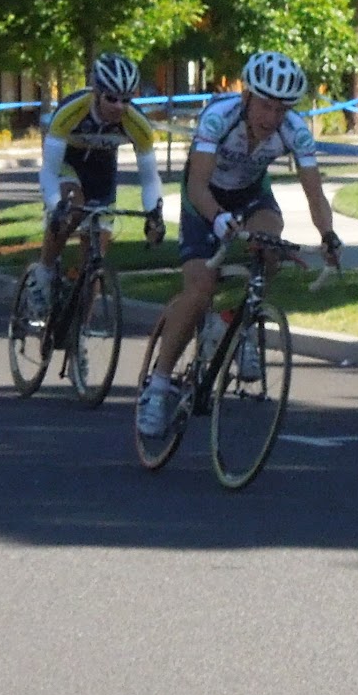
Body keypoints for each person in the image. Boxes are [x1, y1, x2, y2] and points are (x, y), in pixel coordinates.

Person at [136, 51, 343, 436]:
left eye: (281, 109)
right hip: (204, 198)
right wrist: (217, 218)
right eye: (265, 105)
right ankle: (159, 386)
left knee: (270, 242)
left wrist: (328, 235)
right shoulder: (219, 116)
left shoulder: (295, 131)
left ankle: (235, 325)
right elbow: (197, 185)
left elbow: (315, 195)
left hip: (250, 195)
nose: (272, 117)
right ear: (247, 96)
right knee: (200, 290)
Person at [30, 52, 166, 314]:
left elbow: (150, 179)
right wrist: (55, 205)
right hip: (68, 163)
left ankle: (80, 329)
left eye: (126, 100)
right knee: (72, 208)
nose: (119, 107)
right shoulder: (71, 111)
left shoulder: (137, 123)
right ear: (96, 92)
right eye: (111, 98)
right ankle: (43, 275)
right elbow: (49, 171)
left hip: (102, 171)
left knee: (94, 260)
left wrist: (154, 213)